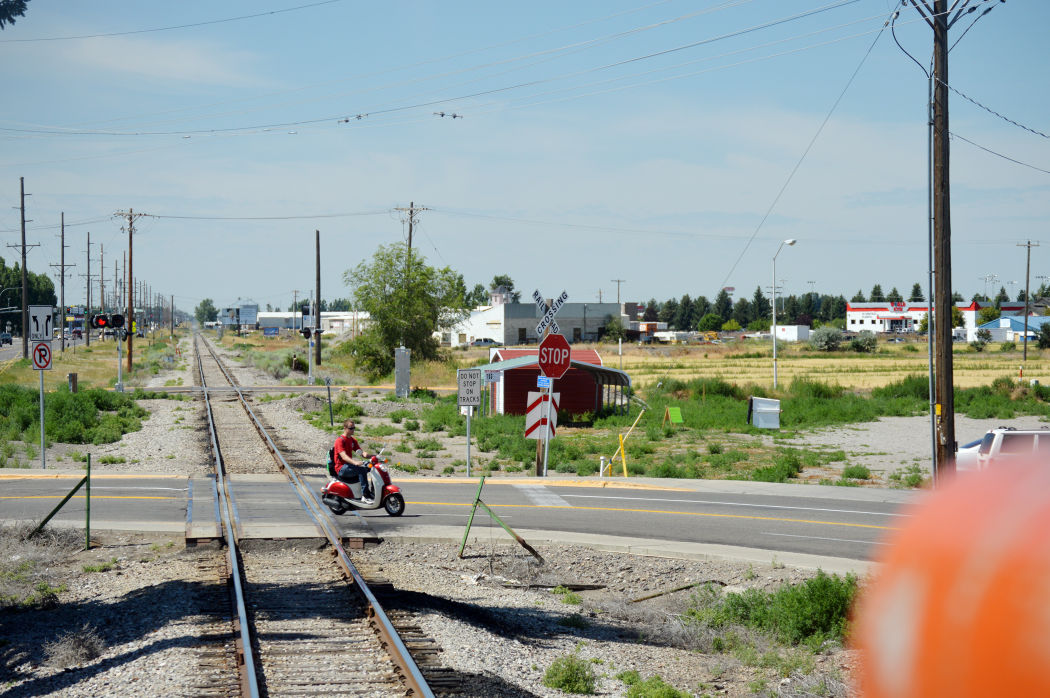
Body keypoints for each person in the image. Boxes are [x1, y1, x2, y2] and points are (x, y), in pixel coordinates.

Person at [333, 419, 373, 502]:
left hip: (349, 466)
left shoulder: (352, 440)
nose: (353, 430)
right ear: (345, 428)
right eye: (351, 428)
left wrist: (375, 456)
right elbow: (344, 456)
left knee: (371, 467)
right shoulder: (340, 440)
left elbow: (362, 453)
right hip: (341, 468)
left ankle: (371, 491)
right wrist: (355, 462)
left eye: (354, 428)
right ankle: (365, 495)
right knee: (361, 470)